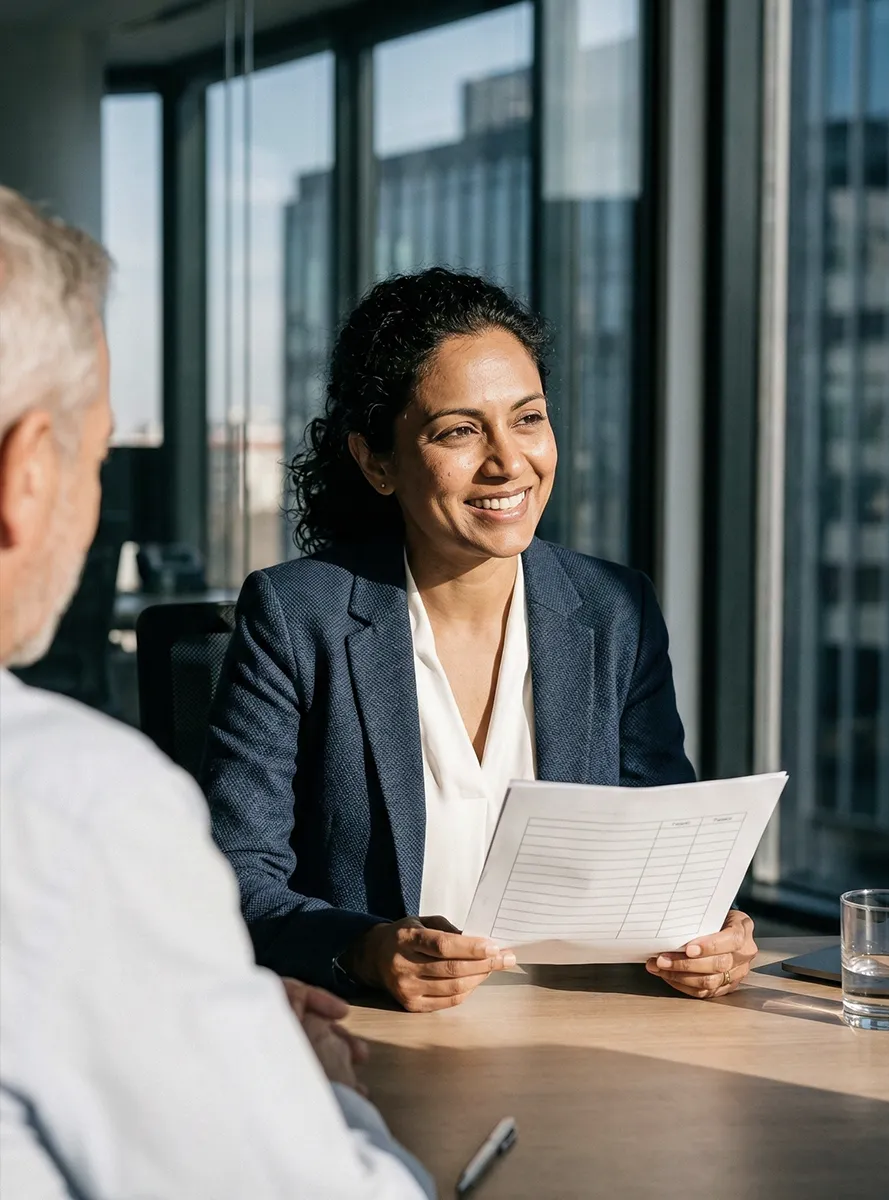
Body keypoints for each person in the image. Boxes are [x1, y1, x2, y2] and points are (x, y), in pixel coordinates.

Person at [0, 187, 433, 1199]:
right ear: (25, 477)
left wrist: (203, 1021)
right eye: (96, 456)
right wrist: (313, 1087)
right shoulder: (68, 806)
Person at [203, 268, 759, 1014]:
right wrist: (365, 951)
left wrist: (707, 934)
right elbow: (233, 878)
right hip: (380, 1037)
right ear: (376, 460)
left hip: (584, 1032)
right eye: (459, 431)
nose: (508, 462)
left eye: (527, 418)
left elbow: (664, 854)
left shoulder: (613, 611)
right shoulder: (296, 616)